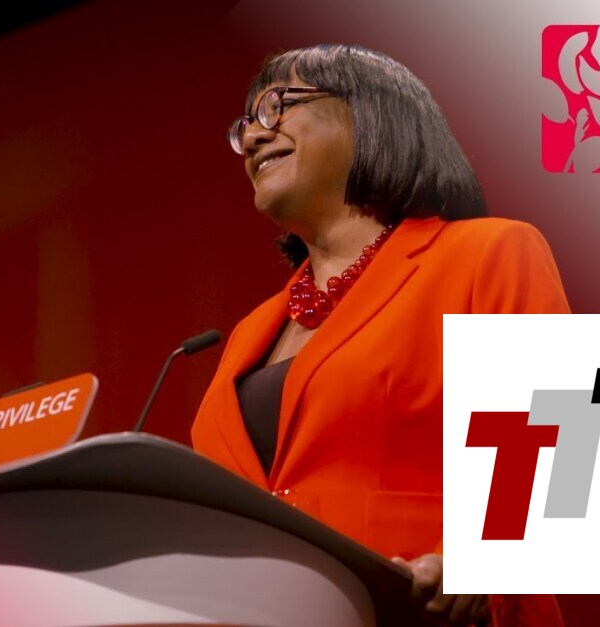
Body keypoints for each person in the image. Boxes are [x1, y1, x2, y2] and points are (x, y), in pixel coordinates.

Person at [190, 44, 569, 626]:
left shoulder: (486, 253)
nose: (256, 137)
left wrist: (481, 558)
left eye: (276, 107)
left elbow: (559, 434)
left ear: (372, 113)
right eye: (246, 126)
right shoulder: (246, 336)